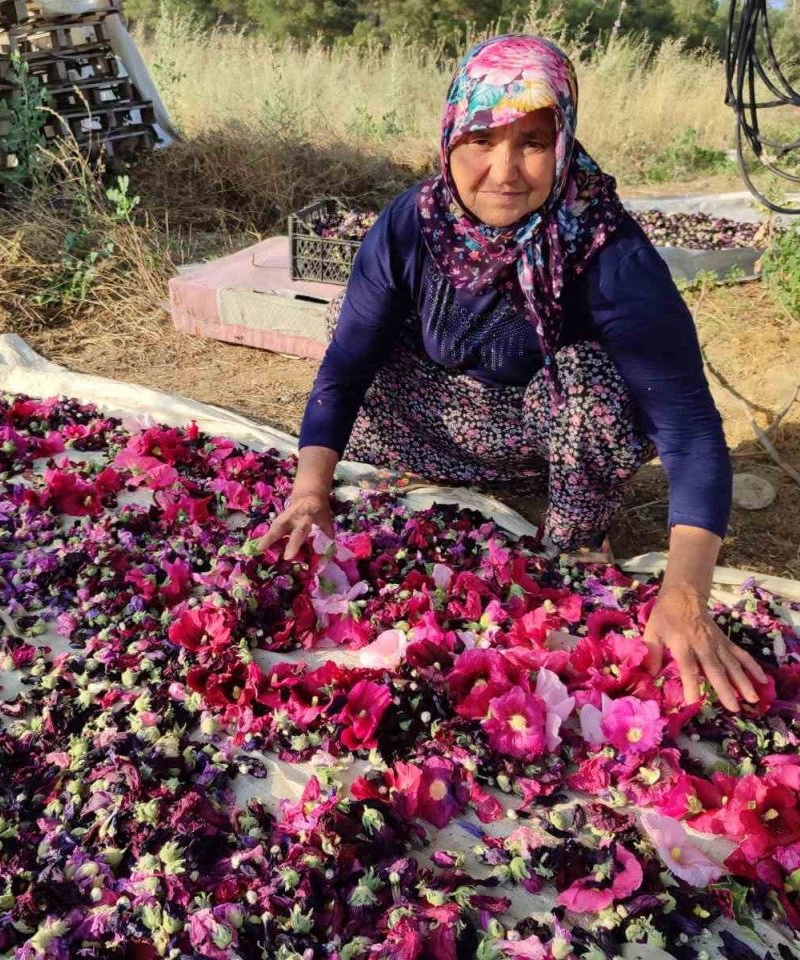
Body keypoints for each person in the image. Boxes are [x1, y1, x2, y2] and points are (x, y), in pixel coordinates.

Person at [259, 34, 766, 713]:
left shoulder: (607, 250)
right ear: (448, 140)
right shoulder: (413, 224)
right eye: (481, 140)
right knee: (347, 330)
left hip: (544, 450)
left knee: (592, 380)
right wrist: (310, 493)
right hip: (427, 431)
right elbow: (344, 369)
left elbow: (691, 430)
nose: (504, 170)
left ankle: (574, 541)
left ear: (565, 139)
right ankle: (445, 481)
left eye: (533, 141)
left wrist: (684, 593)